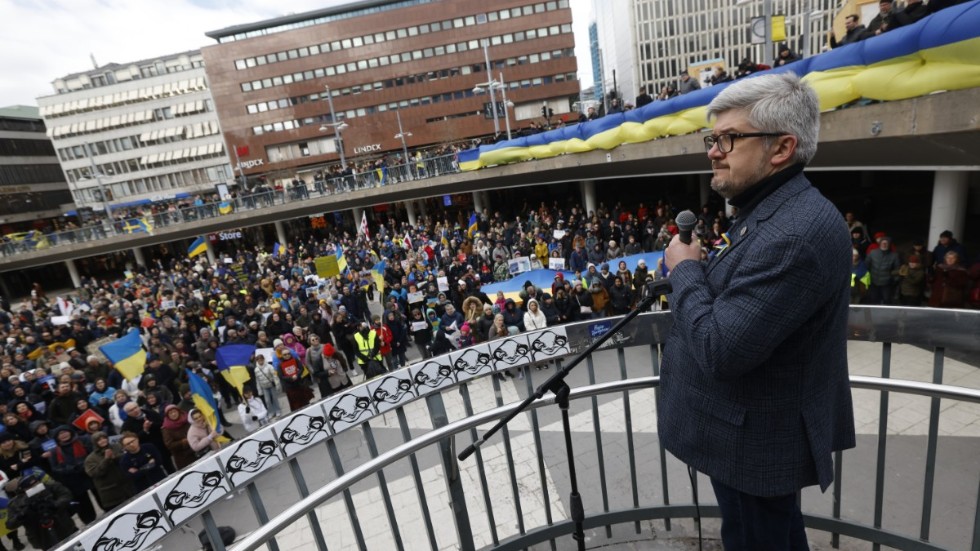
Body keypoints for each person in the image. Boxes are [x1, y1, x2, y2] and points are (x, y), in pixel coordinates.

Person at [660, 72, 855, 551]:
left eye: (729, 138)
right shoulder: (772, 211)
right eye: (713, 137)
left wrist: (683, 270)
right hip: (749, 436)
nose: (713, 150)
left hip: (753, 444)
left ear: (782, 148)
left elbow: (720, 348)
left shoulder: (795, 233)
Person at [83, 431, 134, 511]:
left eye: (104, 438)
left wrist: (115, 457)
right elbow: (95, 473)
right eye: (99, 440)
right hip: (111, 494)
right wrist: (106, 460)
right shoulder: (90, 459)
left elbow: (128, 458)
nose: (103, 441)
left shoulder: (117, 446)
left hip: (128, 487)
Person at [161, 405, 197, 470]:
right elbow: (169, 445)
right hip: (183, 458)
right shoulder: (166, 428)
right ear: (167, 416)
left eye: (174, 411)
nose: (173, 414)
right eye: (170, 413)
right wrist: (183, 442)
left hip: (197, 451)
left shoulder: (187, 419)